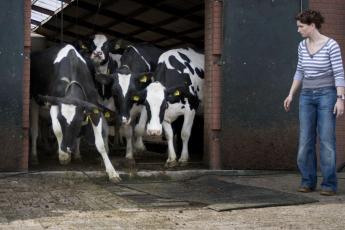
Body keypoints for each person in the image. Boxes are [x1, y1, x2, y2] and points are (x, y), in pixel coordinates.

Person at [284, 9, 345, 196]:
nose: (298, 30)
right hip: (306, 96)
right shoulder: (302, 46)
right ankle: (308, 181)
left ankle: (329, 184)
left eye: (301, 27)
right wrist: (291, 94)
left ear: (312, 25)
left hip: (327, 95)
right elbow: (299, 71)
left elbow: (339, 73)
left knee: (326, 140)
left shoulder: (331, 45)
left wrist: (340, 99)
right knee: (305, 141)